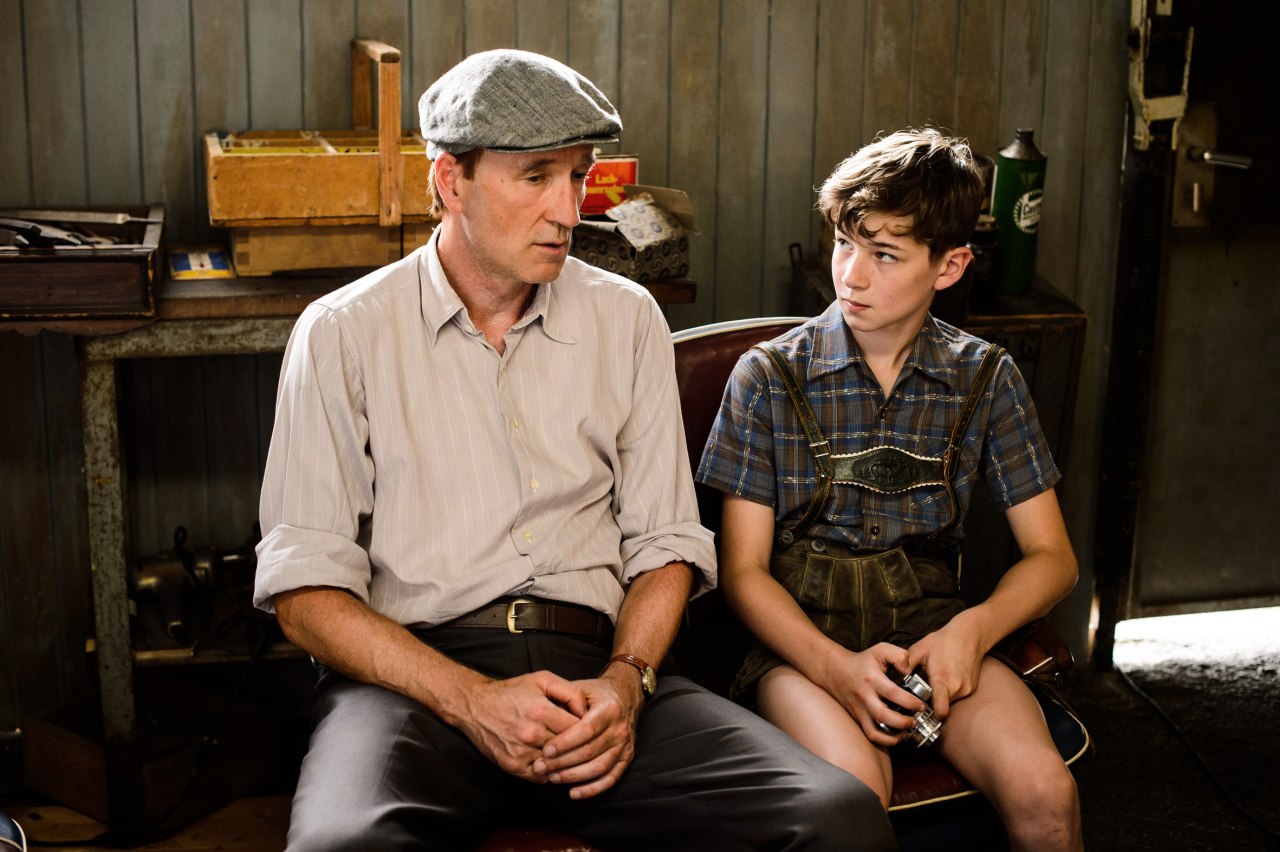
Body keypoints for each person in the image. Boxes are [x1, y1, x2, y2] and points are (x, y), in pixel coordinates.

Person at [253, 49, 895, 851]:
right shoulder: (343, 333)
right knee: (341, 847)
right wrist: (471, 700)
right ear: (450, 182)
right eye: (536, 178)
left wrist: (626, 683)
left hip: (602, 671)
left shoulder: (626, 319)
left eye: (579, 176)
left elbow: (666, 545)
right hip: (414, 686)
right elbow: (305, 592)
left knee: (836, 817)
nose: (568, 211)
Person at [696, 128, 1084, 851]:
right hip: (801, 648)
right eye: (845, 243)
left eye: (885, 255)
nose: (852, 276)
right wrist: (837, 670)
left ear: (950, 265)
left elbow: (1053, 558)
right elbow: (743, 573)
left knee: (1046, 793)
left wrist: (971, 632)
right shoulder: (767, 377)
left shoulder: (985, 377)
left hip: (932, 634)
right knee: (854, 793)